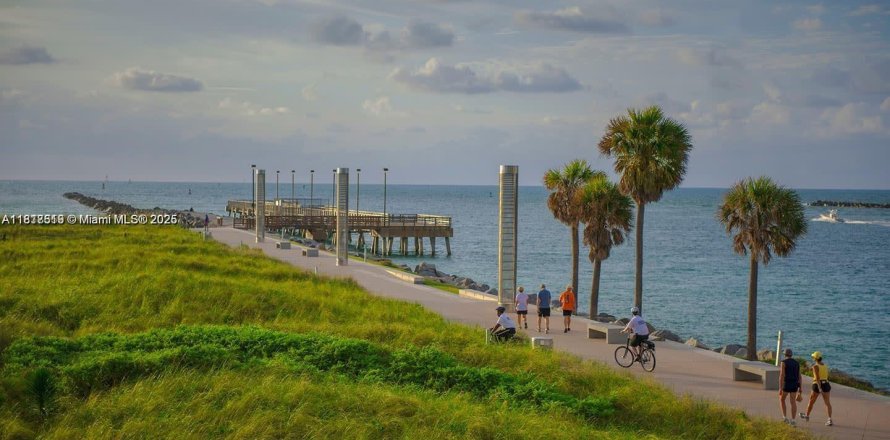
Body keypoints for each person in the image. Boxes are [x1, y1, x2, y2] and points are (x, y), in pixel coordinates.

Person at [800, 351, 833, 426]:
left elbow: (817, 378)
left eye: (813, 357)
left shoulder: (815, 366)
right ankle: (829, 419)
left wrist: (819, 388)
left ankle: (807, 416)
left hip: (817, 385)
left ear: (815, 358)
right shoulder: (824, 365)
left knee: (811, 402)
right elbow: (822, 373)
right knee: (827, 403)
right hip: (826, 384)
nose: (812, 358)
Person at [778, 348, 803, 425]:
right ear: (791, 354)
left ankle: (785, 417)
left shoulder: (783, 362)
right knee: (793, 402)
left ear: (785, 355)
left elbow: (782, 375)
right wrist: (800, 387)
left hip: (787, 384)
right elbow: (800, 376)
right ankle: (793, 420)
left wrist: (780, 388)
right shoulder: (796, 363)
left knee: (782, 399)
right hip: (794, 384)